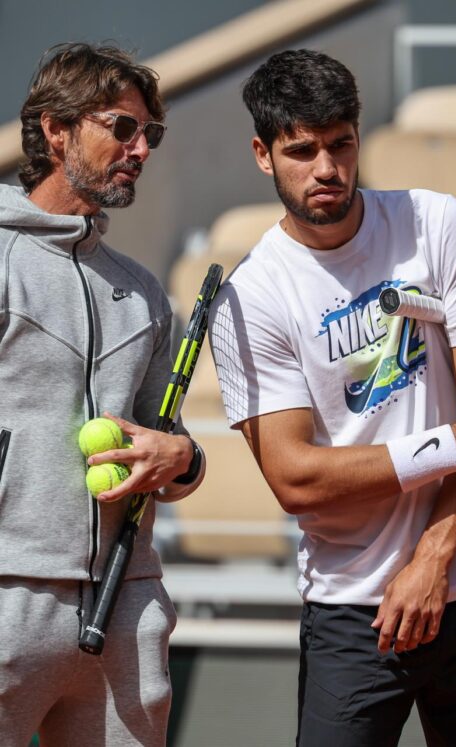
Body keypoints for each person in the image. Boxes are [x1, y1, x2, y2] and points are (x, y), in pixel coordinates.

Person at [209, 49, 456, 746]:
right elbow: (296, 477)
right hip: (353, 615)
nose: (327, 168)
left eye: (341, 143)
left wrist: (432, 560)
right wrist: (450, 444)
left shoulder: (439, 225)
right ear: (262, 154)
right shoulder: (253, 297)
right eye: (301, 150)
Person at [0, 43, 205, 747]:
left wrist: (180, 455)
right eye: (121, 127)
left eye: (150, 133)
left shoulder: (146, 294)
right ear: (55, 129)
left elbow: (165, 445)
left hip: (125, 601)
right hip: (8, 592)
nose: (140, 147)